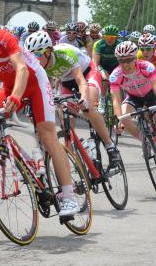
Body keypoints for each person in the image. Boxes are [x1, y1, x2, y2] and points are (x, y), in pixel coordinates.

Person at [0, 5, 81, 218]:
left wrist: (16, 97)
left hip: (34, 82)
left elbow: (21, 68)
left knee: (47, 134)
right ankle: (26, 163)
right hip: (10, 88)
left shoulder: (2, 38)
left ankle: (69, 197)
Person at [23, 30, 122, 170]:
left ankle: (110, 146)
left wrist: (83, 98)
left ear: (48, 51)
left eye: (37, 55)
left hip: (87, 73)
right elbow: (39, 87)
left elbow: (80, 80)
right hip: (66, 82)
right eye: (30, 56)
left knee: (88, 108)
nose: (34, 59)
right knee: (65, 117)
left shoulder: (65, 53)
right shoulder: (37, 66)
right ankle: (75, 161)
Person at [109, 40, 156, 185]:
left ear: (135, 58)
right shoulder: (115, 75)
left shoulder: (146, 67)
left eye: (128, 60)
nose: (125, 64)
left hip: (151, 96)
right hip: (133, 98)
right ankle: (145, 139)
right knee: (124, 117)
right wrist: (118, 119)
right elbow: (116, 101)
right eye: (121, 61)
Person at [93, 24, 121, 112]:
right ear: (103, 36)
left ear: (116, 37)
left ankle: (120, 101)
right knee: (105, 79)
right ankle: (102, 100)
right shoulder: (99, 44)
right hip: (103, 66)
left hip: (116, 66)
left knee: (120, 80)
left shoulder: (120, 45)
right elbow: (95, 63)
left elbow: (122, 61)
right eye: (107, 37)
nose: (110, 39)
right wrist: (102, 72)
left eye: (112, 37)